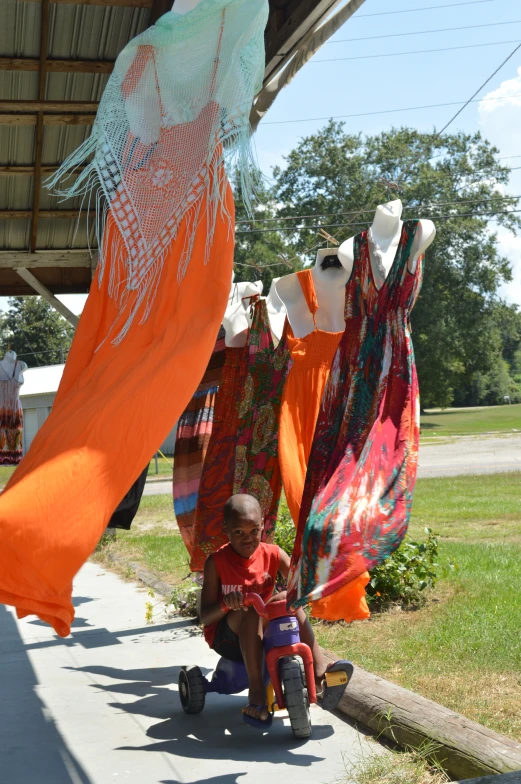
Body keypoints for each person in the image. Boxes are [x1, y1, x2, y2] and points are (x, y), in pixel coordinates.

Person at [200, 493, 353, 728]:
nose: (248, 538)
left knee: (288, 598)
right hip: (229, 639)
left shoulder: (272, 553)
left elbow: (298, 584)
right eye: (238, 531)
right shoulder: (217, 563)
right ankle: (257, 692)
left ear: (263, 525)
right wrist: (224, 604)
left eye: (254, 530)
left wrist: (317, 573)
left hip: (264, 628)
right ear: (226, 529)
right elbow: (205, 616)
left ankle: (319, 672)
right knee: (248, 608)